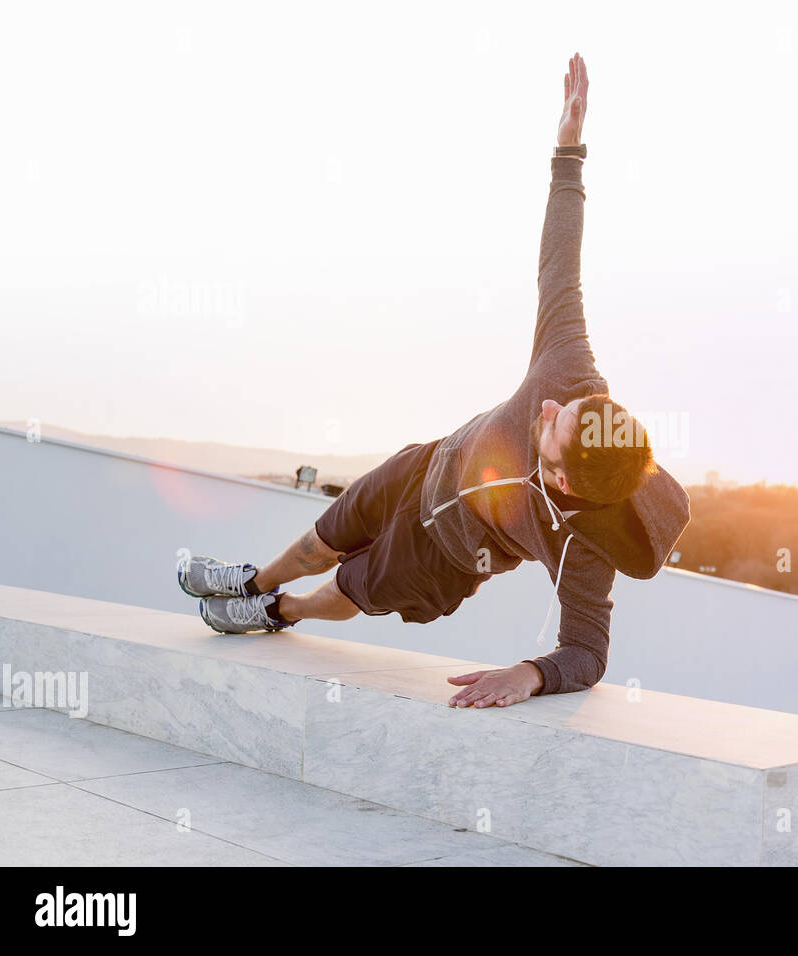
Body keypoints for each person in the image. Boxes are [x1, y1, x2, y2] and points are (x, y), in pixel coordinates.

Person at [176, 53, 690, 710]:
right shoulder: (573, 370)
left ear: (563, 481)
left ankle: (280, 609)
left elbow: (587, 651)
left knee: (350, 587)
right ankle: (252, 579)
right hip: (429, 465)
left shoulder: (586, 543)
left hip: (444, 555)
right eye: (566, 406)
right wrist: (570, 151)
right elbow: (561, 264)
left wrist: (530, 674)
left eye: (553, 425)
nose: (552, 403)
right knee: (325, 534)